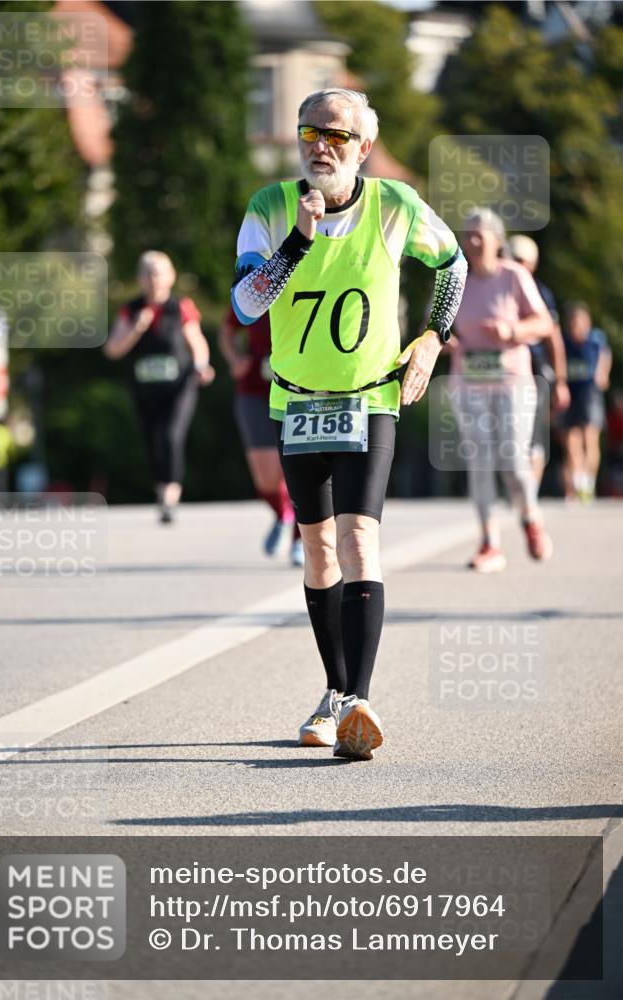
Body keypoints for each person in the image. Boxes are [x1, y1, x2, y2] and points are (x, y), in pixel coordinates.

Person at [231, 88, 466, 760]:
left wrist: (431, 340)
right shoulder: (270, 206)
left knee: (359, 536)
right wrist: (298, 242)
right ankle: (334, 694)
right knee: (317, 549)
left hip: (369, 397)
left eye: (337, 135)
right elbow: (247, 305)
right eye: (312, 132)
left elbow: (451, 265)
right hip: (297, 402)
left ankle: (359, 699)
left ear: (363, 146)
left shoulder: (395, 205)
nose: (322, 146)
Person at [450, 209, 554, 573]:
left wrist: (511, 331)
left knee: (512, 458)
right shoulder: (455, 278)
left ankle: (529, 515)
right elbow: (434, 327)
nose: (473, 242)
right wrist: (444, 341)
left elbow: (543, 323)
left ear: (497, 239)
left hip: (511, 379)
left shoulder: (514, 276)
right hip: (469, 379)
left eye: (480, 235)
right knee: (479, 459)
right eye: (468, 235)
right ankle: (489, 542)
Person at [104, 251, 214, 523]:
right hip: (145, 390)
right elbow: (113, 350)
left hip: (179, 386)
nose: (154, 279)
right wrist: (136, 329)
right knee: (153, 439)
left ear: (171, 276)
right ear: (140, 278)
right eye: (148, 273)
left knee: (170, 434)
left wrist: (201, 365)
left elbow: (197, 341)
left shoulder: (181, 307)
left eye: (159, 273)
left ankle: (169, 498)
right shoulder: (130, 310)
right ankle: (161, 488)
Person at [218, 307, 304, 566]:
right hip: (255, 392)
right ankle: (283, 514)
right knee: (266, 480)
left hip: (301, 392)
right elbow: (227, 330)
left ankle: (300, 541)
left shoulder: (310, 278)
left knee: (302, 473)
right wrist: (235, 359)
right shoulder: (258, 285)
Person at [508, 235, 570, 485]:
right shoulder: (496, 287)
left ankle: (529, 493)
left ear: (532, 264)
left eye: (521, 260)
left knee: (532, 435)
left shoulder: (541, 292)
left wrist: (560, 380)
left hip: (534, 368)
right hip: (503, 369)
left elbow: (553, 339)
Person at [561, 301, 612, 501]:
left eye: (578, 321)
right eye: (572, 322)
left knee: (590, 438)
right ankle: (577, 480)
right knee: (571, 441)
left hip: (590, 391)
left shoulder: (596, 339)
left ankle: (588, 481)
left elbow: (605, 355)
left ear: (587, 322)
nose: (575, 326)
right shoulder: (564, 341)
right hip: (570, 391)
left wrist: (602, 373)